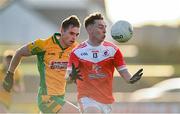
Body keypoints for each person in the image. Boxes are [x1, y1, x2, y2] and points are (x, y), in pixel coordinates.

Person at [66, 12, 143, 114]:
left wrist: (130, 79)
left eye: (105, 27)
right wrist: (70, 76)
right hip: (87, 99)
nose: (105, 30)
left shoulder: (113, 50)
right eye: (100, 27)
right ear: (90, 30)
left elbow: (124, 72)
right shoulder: (77, 52)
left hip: (106, 101)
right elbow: (68, 76)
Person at [3, 15, 81, 113]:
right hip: (46, 99)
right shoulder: (43, 45)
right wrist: (10, 74)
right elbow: (19, 52)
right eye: (71, 33)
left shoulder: (76, 49)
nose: (74, 38)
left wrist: (72, 77)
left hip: (60, 97)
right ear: (62, 30)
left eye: (77, 35)